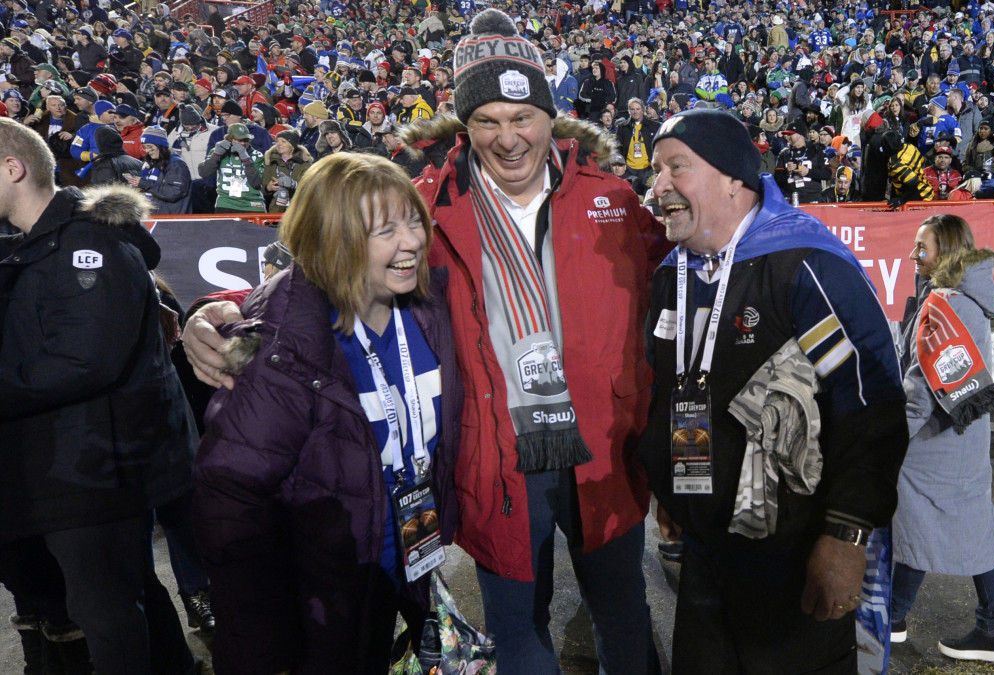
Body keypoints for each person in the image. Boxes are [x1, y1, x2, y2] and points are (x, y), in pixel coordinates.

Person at [183, 10, 665, 675]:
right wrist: (218, 310)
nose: (508, 138)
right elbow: (323, 271)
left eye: (522, 117)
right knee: (520, 639)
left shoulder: (611, 199)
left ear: (551, 118)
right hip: (495, 460)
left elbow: (695, 263)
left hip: (605, 451)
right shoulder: (424, 210)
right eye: (487, 121)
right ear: (465, 126)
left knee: (626, 620)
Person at [642, 108, 908, 672]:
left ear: (734, 178)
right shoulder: (674, 274)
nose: (657, 186)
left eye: (676, 168)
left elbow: (870, 407)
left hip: (796, 555)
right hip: (706, 551)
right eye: (656, 171)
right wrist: (671, 487)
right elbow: (668, 393)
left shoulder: (806, 265)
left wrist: (846, 535)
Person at [192, 153, 462, 674]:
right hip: (326, 591)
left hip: (409, 558)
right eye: (385, 230)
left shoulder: (427, 303)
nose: (411, 242)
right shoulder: (287, 338)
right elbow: (230, 500)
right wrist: (264, 646)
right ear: (333, 238)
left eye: (413, 221)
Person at [0, 116, 197, 675]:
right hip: (69, 464)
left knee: (106, 612)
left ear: (13, 169)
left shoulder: (90, 241)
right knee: (126, 593)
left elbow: (84, 361)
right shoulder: (33, 243)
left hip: (97, 467)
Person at [891, 214, 994, 663]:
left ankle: (899, 618)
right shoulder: (964, 296)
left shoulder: (948, 302)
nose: (912, 255)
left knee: (920, 522)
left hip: (936, 442)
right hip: (959, 436)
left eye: (921, 248)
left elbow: (920, 389)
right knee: (948, 526)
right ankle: (987, 627)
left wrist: (889, 440)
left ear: (945, 251)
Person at [197, 122, 266, 213]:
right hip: (226, 204)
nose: (242, 143)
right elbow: (204, 173)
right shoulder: (218, 152)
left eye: (245, 140)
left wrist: (246, 159)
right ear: (230, 139)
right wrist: (216, 155)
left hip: (252, 205)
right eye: (239, 140)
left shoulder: (257, 155)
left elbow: (256, 183)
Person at [127, 125, 192, 214]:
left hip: (170, 221)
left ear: (160, 146)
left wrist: (145, 184)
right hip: (154, 216)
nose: (147, 150)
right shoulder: (151, 163)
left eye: (150, 146)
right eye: (144, 147)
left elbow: (174, 192)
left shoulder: (176, 164)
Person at [261, 128, 312, 212]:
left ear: (292, 145)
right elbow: (261, 190)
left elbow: (309, 188)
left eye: (283, 141)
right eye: (277, 141)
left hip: (297, 210)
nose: (279, 144)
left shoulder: (304, 164)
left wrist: (293, 185)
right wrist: (268, 188)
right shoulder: (270, 162)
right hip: (275, 210)